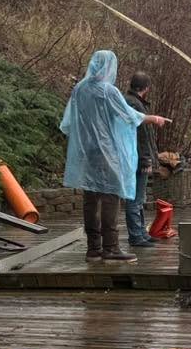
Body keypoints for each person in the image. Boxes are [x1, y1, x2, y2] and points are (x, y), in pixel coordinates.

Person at [61, 50, 169, 263]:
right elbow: (129, 116)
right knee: (111, 196)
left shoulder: (80, 89)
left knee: (90, 199)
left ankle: (93, 248)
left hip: (87, 151)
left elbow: (69, 121)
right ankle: (111, 247)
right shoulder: (107, 91)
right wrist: (153, 118)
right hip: (107, 152)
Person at [124, 72, 159, 248]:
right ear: (146, 88)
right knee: (135, 198)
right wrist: (146, 159)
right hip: (137, 158)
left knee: (139, 197)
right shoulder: (135, 105)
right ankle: (136, 236)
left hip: (134, 156)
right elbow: (141, 137)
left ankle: (142, 233)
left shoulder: (130, 102)